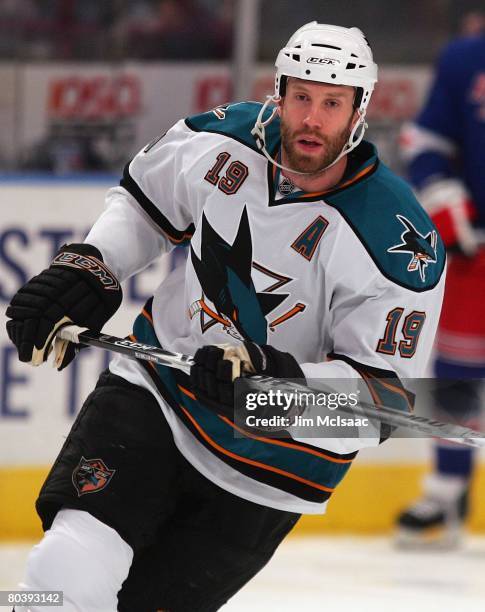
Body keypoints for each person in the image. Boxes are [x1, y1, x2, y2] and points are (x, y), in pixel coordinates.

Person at [6, 22, 445, 611]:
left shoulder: (396, 242)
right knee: (63, 578)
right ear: (280, 93)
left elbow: (379, 404)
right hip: (160, 392)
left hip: (270, 464)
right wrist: (89, 266)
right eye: (301, 97)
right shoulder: (220, 139)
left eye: (332, 104)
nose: (312, 119)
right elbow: (143, 204)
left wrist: (275, 383)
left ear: (359, 111)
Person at [396, 27, 485, 547]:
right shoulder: (465, 60)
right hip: (476, 250)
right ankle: (449, 489)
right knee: (455, 371)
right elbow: (427, 141)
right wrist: (442, 191)